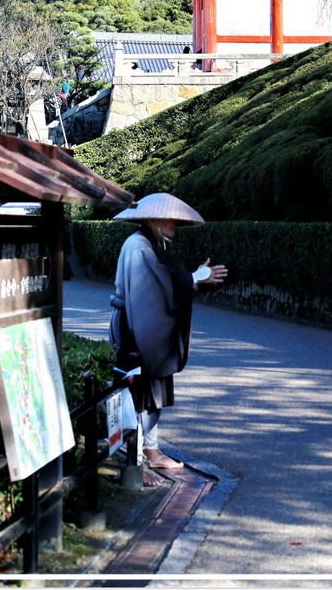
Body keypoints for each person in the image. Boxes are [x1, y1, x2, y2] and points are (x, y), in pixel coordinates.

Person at [109, 192, 227, 471]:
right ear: (153, 218)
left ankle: (150, 451)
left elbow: (166, 285)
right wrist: (195, 277)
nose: (175, 224)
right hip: (135, 328)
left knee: (153, 389)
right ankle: (136, 462)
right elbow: (155, 287)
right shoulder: (138, 246)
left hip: (147, 325)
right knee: (138, 390)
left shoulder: (153, 244)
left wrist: (196, 280)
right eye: (170, 218)